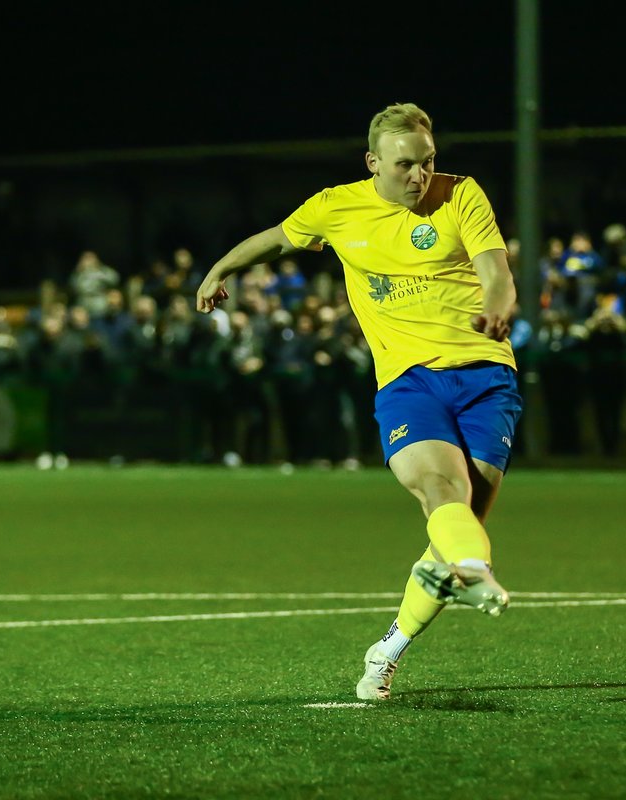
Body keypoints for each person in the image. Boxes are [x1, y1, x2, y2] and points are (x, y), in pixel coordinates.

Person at [195, 103, 520, 701]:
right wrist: (220, 268)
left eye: (426, 163)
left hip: (487, 378)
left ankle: (388, 650)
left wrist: (499, 304)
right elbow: (275, 239)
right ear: (373, 163)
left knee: (459, 526)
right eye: (405, 165)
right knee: (443, 494)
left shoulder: (462, 195)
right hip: (409, 382)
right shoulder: (335, 207)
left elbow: (495, 269)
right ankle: (475, 573)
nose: (418, 176)